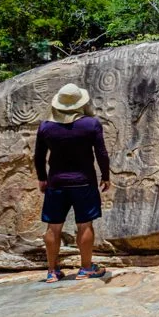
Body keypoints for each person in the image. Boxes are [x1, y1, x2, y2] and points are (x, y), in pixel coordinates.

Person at [34, 83, 111, 283]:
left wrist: (42, 178)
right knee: (84, 224)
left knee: (53, 227)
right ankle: (86, 268)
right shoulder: (91, 125)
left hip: (56, 183)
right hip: (84, 182)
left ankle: (52, 271)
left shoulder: (46, 127)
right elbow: (101, 153)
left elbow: (39, 157)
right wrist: (105, 176)